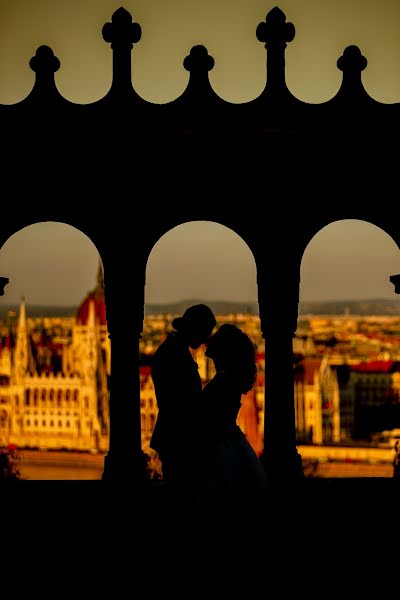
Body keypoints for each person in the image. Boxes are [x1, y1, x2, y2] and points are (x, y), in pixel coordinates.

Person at [197, 323, 269, 521]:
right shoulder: (229, 379)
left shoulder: (223, 381)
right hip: (228, 445)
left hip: (217, 448)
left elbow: (211, 419)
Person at [150, 303, 217, 503]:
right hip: (177, 437)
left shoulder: (175, 350)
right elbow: (179, 402)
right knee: (182, 495)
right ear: (194, 330)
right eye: (203, 333)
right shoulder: (173, 354)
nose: (203, 340)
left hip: (175, 436)